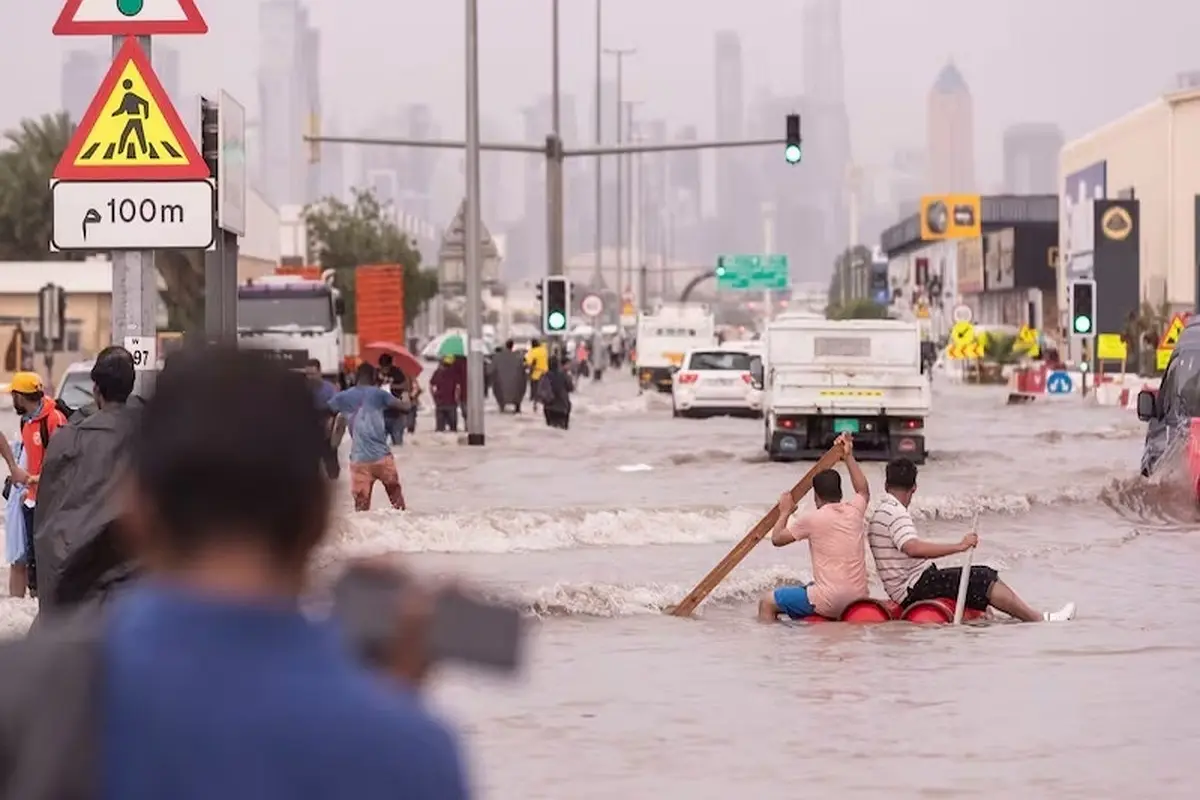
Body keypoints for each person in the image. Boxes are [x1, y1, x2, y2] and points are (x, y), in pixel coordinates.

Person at [0, 346, 469, 798]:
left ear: (138, 512)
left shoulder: (24, 693)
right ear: (320, 520)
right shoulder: (408, 750)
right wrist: (384, 710)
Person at [867, 457, 1076, 622]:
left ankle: (1010, 615)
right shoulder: (895, 512)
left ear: (886, 485)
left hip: (911, 584)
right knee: (983, 576)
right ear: (914, 488)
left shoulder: (883, 510)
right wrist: (960, 546)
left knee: (973, 579)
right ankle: (1039, 618)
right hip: (913, 588)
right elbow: (912, 548)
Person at [33, 347, 142, 617]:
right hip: (137, 585)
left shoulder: (69, 439)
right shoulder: (152, 435)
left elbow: (48, 519)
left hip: (83, 588)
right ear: (131, 384)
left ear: (96, 390)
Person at [757, 433, 871, 622]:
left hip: (831, 602)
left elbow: (777, 539)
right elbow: (863, 490)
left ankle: (773, 644)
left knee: (767, 602)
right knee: (810, 585)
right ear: (841, 493)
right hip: (858, 600)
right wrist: (848, 456)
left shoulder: (812, 519)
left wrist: (785, 511)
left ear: (816, 497)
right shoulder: (854, 511)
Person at [11, 371, 68, 596]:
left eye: (13, 396)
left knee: (50, 564)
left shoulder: (54, 419)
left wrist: (33, 480)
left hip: (52, 504)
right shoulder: (27, 422)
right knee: (33, 566)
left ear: (21, 397)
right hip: (32, 502)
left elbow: (63, 464)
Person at [329, 363, 408, 512]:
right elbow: (405, 408)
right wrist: (406, 394)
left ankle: (363, 534)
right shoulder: (379, 394)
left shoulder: (343, 397)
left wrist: (332, 447)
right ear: (374, 377)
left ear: (356, 377)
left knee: (361, 510)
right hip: (382, 459)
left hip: (359, 462)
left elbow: (330, 416)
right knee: (398, 505)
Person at [305, 358, 341, 479]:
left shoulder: (330, 388)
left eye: (313, 374)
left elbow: (337, 409)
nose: (310, 377)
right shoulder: (304, 389)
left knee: (332, 470)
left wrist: (331, 421)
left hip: (327, 428)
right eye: (308, 374)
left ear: (319, 373)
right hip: (310, 429)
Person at [377, 353, 414, 446]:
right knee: (380, 445)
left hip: (397, 414)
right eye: (382, 367)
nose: (384, 370)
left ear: (390, 365)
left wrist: (391, 386)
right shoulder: (376, 373)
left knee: (398, 444)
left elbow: (405, 386)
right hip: (381, 414)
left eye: (386, 367)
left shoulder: (397, 372)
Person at [538, 356, 574, 430]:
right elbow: (571, 388)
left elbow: (539, 392)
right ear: (558, 365)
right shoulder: (564, 375)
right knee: (562, 431)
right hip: (563, 407)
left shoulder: (544, 376)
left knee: (550, 431)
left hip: (549, 408)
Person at [490, 339, 525, 413]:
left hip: (501, 385)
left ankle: (502, 406)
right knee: (519, 388)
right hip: (515, 385)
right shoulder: (518, 357)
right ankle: (517, 406)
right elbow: (523, 370)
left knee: (498, 389)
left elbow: (490, 370)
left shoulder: (498, 357)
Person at [430, 356, 460, 432]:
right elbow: (458, 388)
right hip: (451, 403)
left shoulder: (437, 372)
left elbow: (431, 386)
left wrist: (434, 397)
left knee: (439, 429)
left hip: (440, 402)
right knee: (453, 429)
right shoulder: (454, 373)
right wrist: (457, 399)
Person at [525, 338, 549, 410]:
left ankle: (535, 404)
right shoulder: (544, 350)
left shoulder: (532, 352)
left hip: (536, 374)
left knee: (535, 391)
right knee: (545, 390)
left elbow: (529, 363)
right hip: (545, 373)